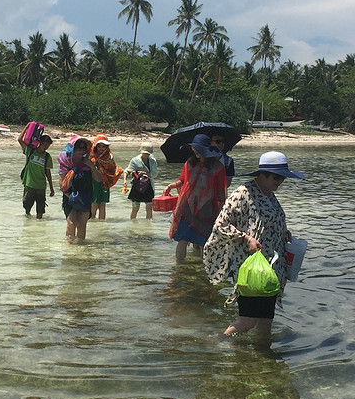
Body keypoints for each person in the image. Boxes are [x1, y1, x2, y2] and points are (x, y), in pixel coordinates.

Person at [203, 151, 306, 337]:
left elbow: (268, 222)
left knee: (266, 321)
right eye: (276, 177)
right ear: (262, 174)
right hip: (250, 268)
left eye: (283, 177)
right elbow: (220, 225)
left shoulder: (269, 194)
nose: (280, 181)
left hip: (270, 270)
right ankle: (219, 343)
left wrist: (284, 233)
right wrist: (246, 238)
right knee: (248, 320)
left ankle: (262, 357)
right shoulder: (243, 193)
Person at [165, 133, 227, 263]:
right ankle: (179, 267)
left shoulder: (217, 168)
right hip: (187, 206)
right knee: (182, 238)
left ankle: (202, 272)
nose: (195, 151)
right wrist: (172, 185)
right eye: (194, 148)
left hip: (207, 208)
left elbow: (221, 193)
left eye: (199, 149)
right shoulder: (189, 164)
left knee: (204, 241)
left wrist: (222, 213)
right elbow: (183, 181)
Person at [58, 136, 103, 244]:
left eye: (84, 148)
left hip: (86, 196)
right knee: (71, 223)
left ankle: (80, 248)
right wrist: (73, 198)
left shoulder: (89, 162)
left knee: (82, 224)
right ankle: (69, 248)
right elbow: (62, 184)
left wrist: (92, 167)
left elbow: (98, 179)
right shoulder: (65, 161)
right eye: (79, 147)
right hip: (69, 196)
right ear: (73, 148)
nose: (82, 150)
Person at [18, 131, 55, 219]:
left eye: (48, 146)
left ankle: (39, 224)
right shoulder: (30, 151)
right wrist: (27, 127)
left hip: (41, 185)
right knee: (27, 205)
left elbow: (48, 173)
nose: (45, 148)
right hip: (29, 183)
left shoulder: (47, 157)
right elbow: (20, 140)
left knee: (40, 209)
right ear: (40, 143)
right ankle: (28, 217)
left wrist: (51, 188)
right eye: (44, 145)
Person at [89, 135, 123, 220]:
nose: (101, 148)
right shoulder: (90, 156)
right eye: (99, 146)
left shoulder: (109, 157)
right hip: (93, 182)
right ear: (95, 146)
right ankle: (91, 220)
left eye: (103, 146)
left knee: (102, 204)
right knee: (94, 203)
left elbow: (112, 169)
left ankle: (101, 223)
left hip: (105, 182)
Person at [124, 143, 159, 219]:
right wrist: (125, 181)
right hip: (137, 186)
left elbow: (155, 174)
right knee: (135, 209)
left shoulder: (152, 160)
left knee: (149, 208)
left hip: (149, 186)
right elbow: (127, 171)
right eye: (145, 153)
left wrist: (145, 173)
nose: (146, 155)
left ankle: (148, 225)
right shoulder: (135, 160)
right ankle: (133, 224)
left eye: (148, 154)